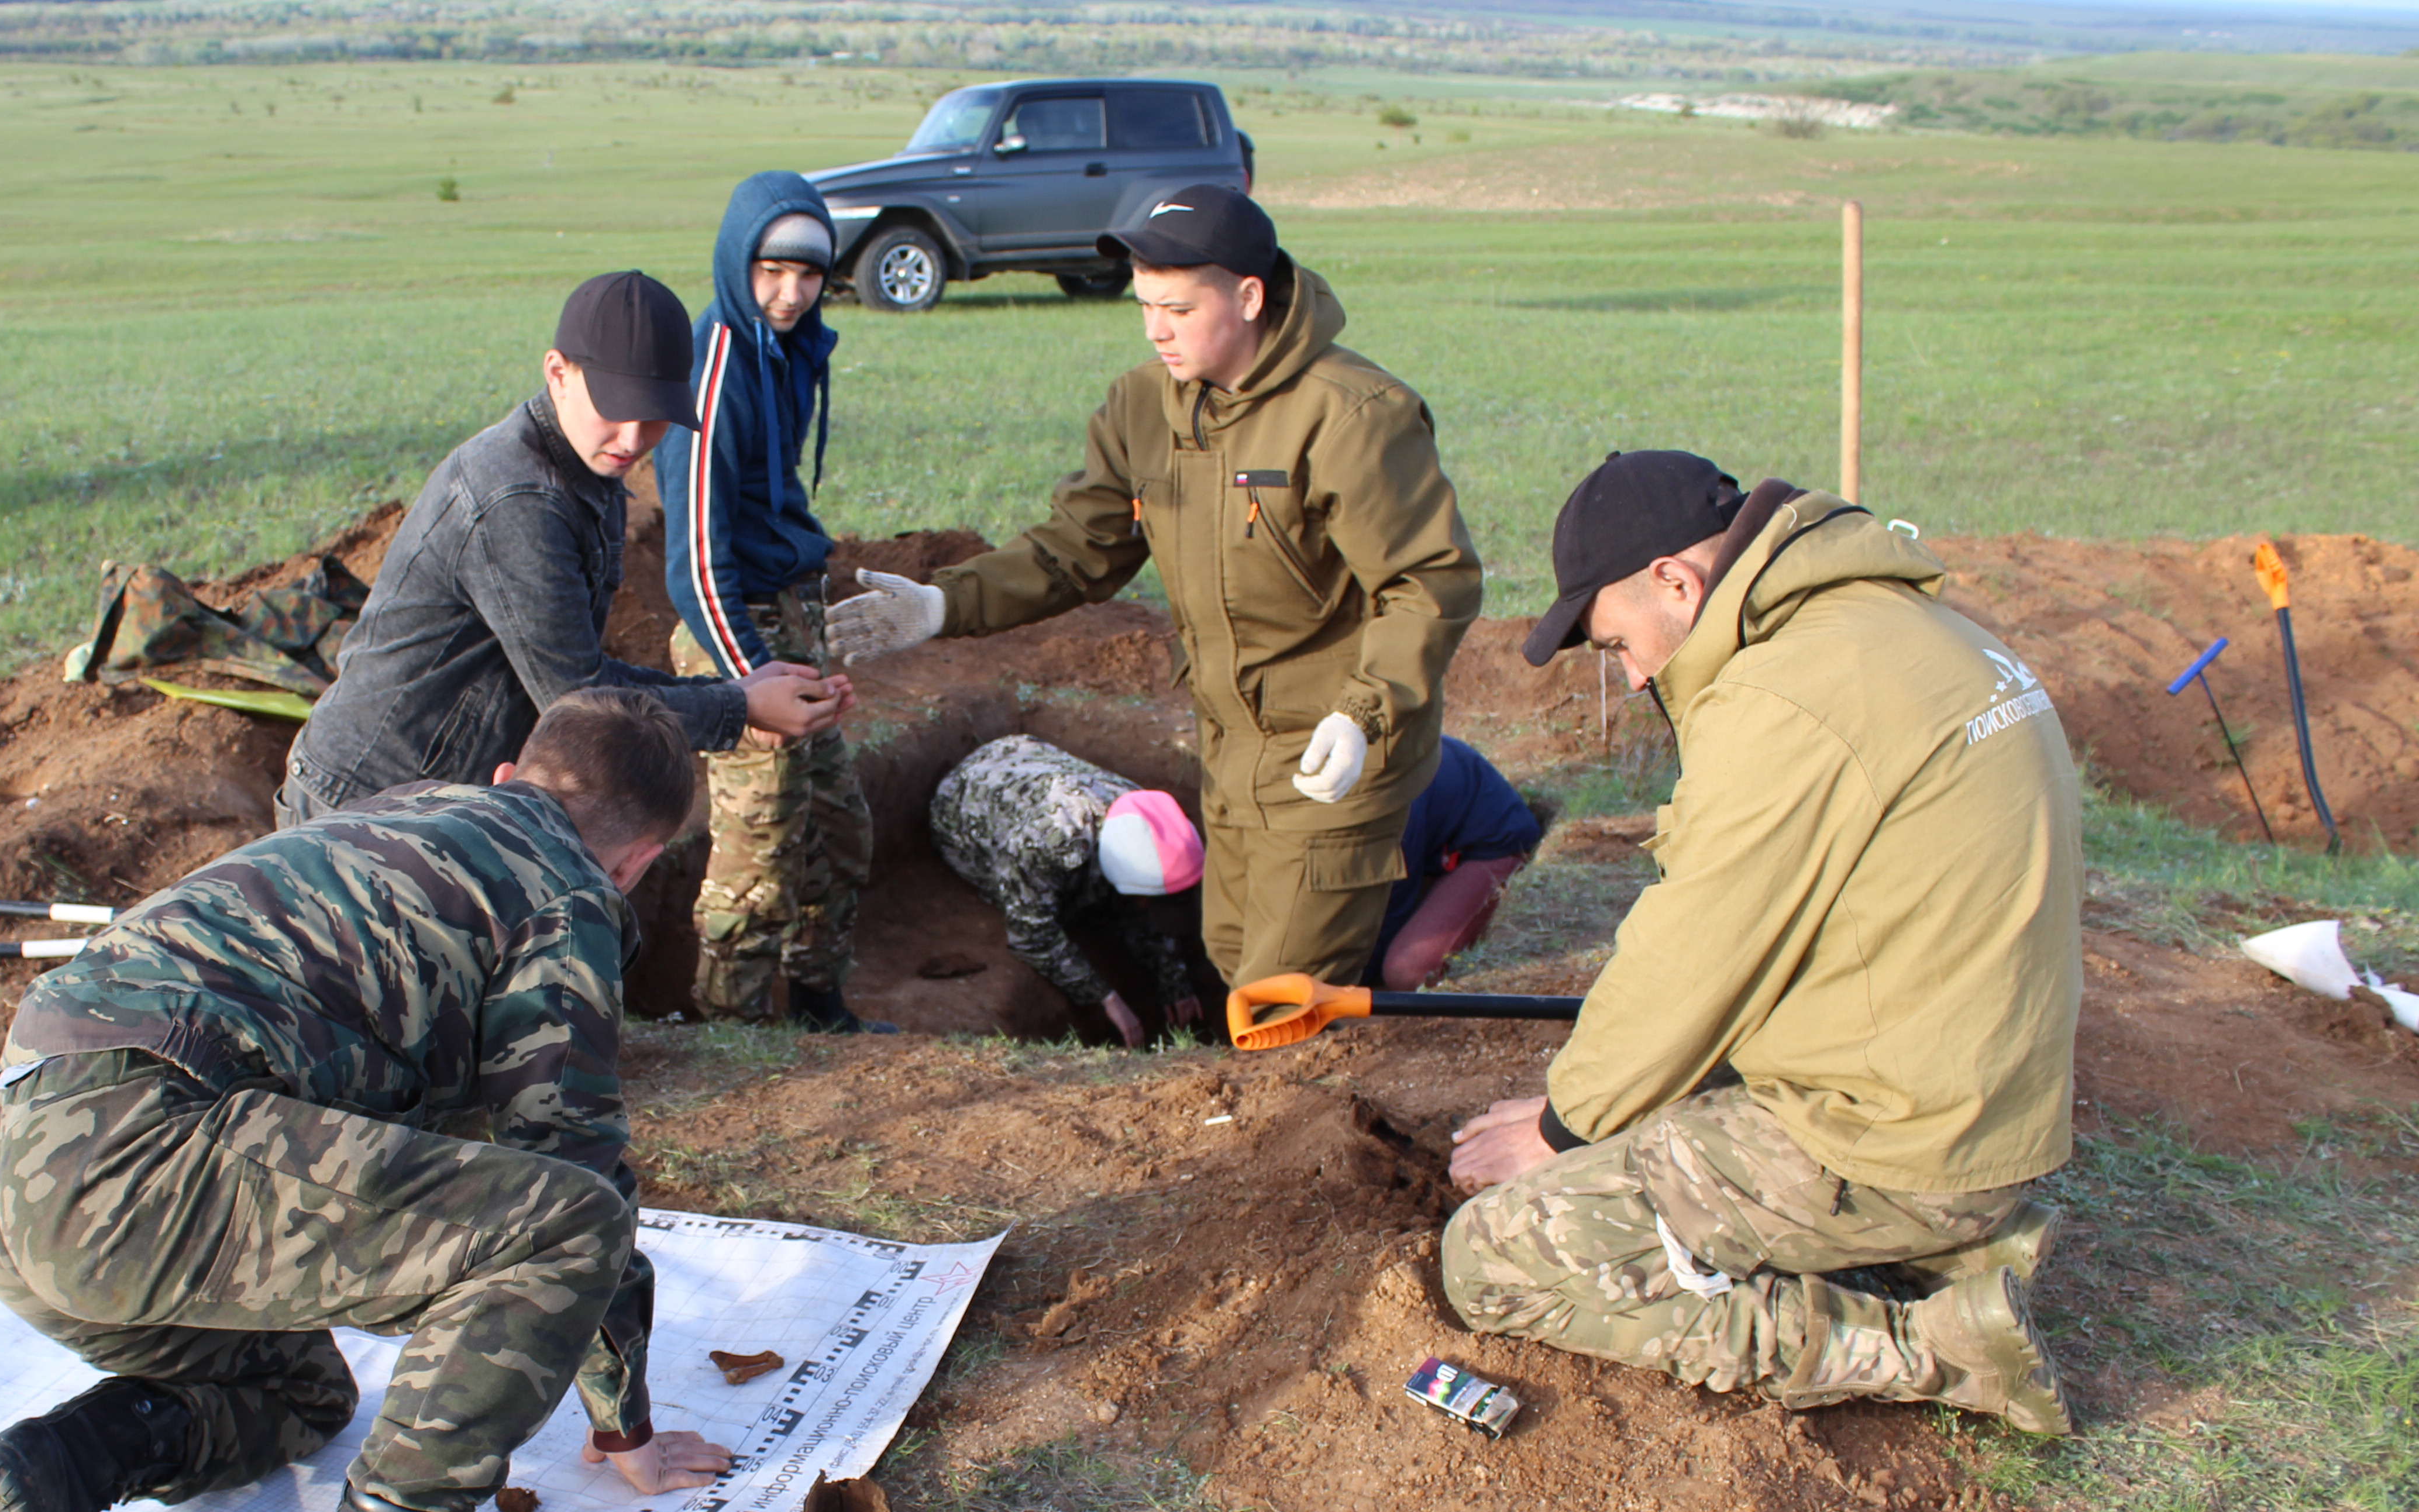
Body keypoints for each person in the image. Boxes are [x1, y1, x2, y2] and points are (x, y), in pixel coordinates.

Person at [0, 689, 736, 1512]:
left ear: (511, 777)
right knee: (564, 1228)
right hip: (152, 1161)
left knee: (303, 1396)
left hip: (13, 1169)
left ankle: (60, 1465)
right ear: (637, 861)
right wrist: (624, 1426)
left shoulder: (410, 816)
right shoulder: (566, 897)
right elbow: (572, 1171)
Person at [1440, 452, 2082, 1436]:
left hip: (1894, 1140)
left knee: (1489, 1257)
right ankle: (1952, 1240)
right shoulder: (1900, 629)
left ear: (1675, 582)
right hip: (1978, 1103)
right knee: (1655, 1114)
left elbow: (1691, 956)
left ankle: (1933, 1345)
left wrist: (1562, 1129)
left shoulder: (1786, 696)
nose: (1635, 673)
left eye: (1618, 644)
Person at [825, 184, 1479, 994]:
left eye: (1177, 307)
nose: (1154, 329)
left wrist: (1363, 712)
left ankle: (1290, 1113)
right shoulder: (1145, 405)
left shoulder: (1350, 416)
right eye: (1143, 305)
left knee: (1282, 990)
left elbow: (1427, 581)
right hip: (1228, 742)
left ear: (1249, 296)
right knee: (1234, 957)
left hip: (1330, 751)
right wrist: (945, 603)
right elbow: (1079, 549)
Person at [277, 271, 848, 828]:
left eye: (654, 417)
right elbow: (575, 699)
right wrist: (738, 708)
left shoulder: (589, 468)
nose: (632, 439)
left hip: (444, 788)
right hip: (368, 799)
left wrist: (736, 694)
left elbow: (580, 673)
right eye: (616, 408)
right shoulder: (518, 500)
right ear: (558, 372)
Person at [656, 174, 890, 1036]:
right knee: (757, 855)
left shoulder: (790, 348)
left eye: (809, 275)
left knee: (835, 830)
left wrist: (813, 651)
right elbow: (691, 562)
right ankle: (731, 1037)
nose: (790, 295)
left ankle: (821, 1005)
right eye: (770, 271)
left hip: (797, 614)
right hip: (738, 628)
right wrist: (749, 679)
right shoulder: (713, 366)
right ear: (736, 262)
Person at [928, 734, 1205, 1047]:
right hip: (960, 802)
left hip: (1023, 753)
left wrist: (1175, 979)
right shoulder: (1048, 841)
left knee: (1114, 908)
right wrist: (1107, 998)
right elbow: (1031, 937)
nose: (1147, 908)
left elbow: (1151, 905)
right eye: (1145, 901)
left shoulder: (1148, 817)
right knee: (1073, 912)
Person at [1369, 737, 1544, 993]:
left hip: (1490, 847)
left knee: (1407, 970)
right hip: (1433, 843)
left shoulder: (1387, 801)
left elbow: (1388, 911)